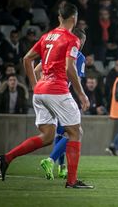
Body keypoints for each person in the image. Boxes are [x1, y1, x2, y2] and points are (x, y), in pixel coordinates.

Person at [0, 3, 93, 189]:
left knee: (48, 136)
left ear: (59, 18)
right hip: (57, 90)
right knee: (76, 132)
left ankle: (6, 158)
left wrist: (34, 85)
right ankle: (72, 181)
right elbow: (70, 67)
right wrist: (81, 94)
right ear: (75, 18)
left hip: (41, 91)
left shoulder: (47, 36)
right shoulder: (72, 39)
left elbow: (27, 59)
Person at [39, 28, 87, 180]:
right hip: (60, 95)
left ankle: (61, 167)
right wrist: (81, 96)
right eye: (81, 42)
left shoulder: (55, 51)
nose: (81, 45)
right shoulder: (78, 56)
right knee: (74, 132)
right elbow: (75, 78)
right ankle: (50, 160)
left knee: (61, 132)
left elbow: (37, 69)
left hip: (44, 94)